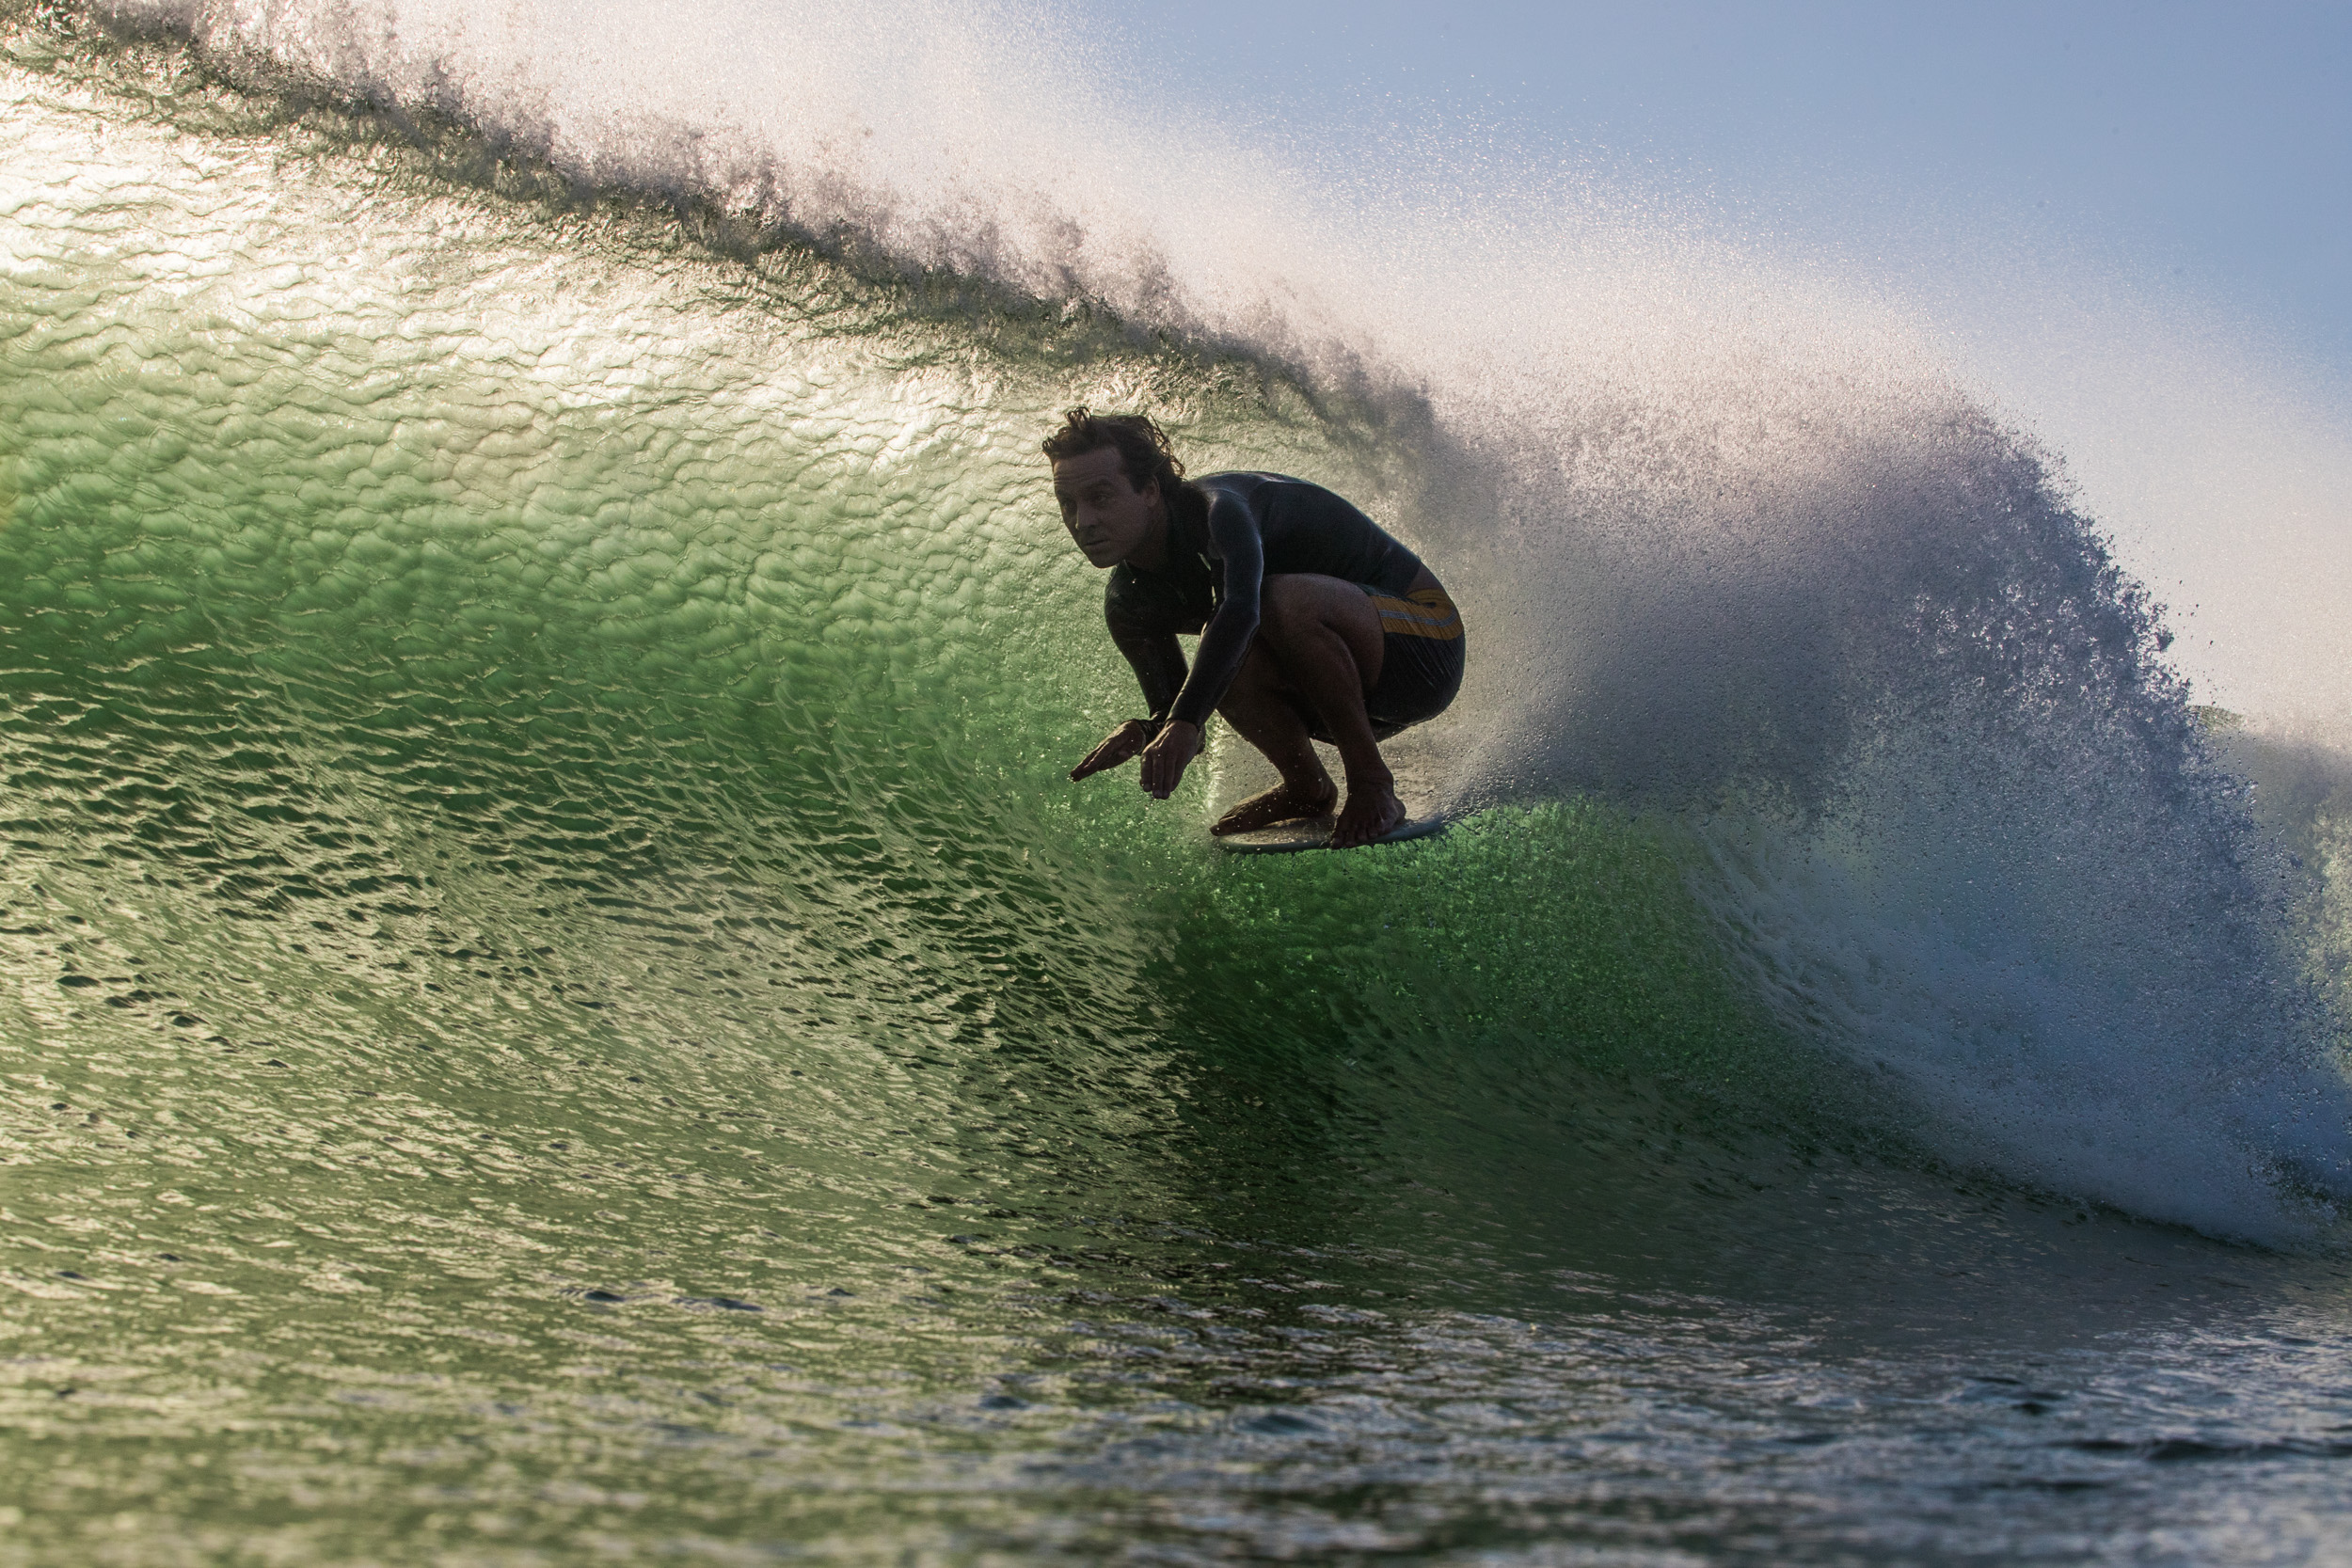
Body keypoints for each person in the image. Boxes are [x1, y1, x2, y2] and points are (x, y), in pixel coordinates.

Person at [1047, 407, 1464, 847]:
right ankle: (1307, 787)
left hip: (1426, 647)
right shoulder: (1128, 604)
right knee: (1221, 655)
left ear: (1149, 490)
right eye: (1068, 503)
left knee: (1262, 605)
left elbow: (1241, 609)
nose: (1083, 521)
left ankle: (1373, 782)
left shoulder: (1220, 512)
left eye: (1101, 497)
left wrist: (1185, 719)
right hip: (1346, 693)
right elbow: (1181, 714)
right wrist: (1146, 729)